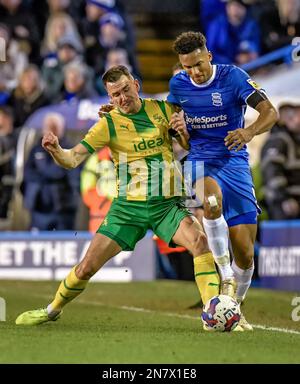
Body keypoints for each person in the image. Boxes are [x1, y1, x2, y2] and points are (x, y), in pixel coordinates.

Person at [15, 65, 221, 329]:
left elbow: (193, 145)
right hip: (127, 209)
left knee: (200, 242)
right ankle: (52, 310)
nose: (123, 98)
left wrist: (183, 132)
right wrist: (56, 149)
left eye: (126, 90)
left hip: (166, 204)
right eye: (115, 95)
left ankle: (213, 314)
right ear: (110, 98)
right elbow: (72, 159)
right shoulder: (107, 124)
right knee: (87, 267)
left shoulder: (163, 110)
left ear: (136, 85)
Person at [168, 31, 278, 330]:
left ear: (209, 56)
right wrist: (178, 130)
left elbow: (271, 112)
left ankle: (233, 307)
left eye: (198, 64)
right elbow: (186, 143)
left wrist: (248, 132)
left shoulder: (234, 78)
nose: (194, 72)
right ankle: (225, 274)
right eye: (187, 66)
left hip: (235, 163)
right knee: (211, 201)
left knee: (245, 253)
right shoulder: (178, 86)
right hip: (200, 160)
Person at [261, 99, 300, 220]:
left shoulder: (292, 139)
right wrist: (284, 199)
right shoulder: (279, 140)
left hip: (293, 202)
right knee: (286, 238)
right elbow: (272, 171)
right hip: (285, 205)